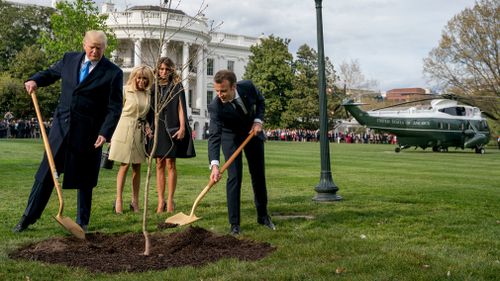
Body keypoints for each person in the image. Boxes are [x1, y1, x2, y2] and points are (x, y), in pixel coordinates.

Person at [13, 30, 123, 233]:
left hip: (89, 134)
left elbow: (115, 107)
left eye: (99, 48)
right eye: (92, 47)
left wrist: (105, 132)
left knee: (85, 179)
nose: (95, 51)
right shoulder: (69, 59)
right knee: (45, 174)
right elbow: (50, 73)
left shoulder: (113, 73)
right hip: (61, 129)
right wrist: (34, 79)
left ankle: (82, 222)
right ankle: (28, 217)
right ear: (84, 44)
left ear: (105, 48)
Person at [208, 69, 275, 235]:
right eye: (217, 91)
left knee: (258, 175)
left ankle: (263, 216)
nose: (220, 94)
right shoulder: (215, 106)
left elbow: (260, 101)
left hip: (253, 133)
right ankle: (234, 224)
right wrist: (214, 165)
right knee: (234, 177)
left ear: (234, 87)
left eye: (223, 90)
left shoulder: (248, 87)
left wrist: (258, 121)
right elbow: (214, 136)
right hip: (230, 137)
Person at [149, 57, 195, 213]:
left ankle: (170, 201)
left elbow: (182, 108)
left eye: (167, 69)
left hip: (172, 126)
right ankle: (160, 201)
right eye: (161, 69)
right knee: (159, 164)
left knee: (170, 163)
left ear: (171, 70)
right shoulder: (153, 87)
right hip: (157, 128)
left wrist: (182, 127)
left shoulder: (176, 86)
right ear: (157, 69)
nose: (163, 72)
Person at [108, 65, 154, 214]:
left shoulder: (148, 94)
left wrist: (147, 126)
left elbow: (145, 114)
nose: (141, 81)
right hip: (124, 128)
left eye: (145, 78)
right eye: (139, 77)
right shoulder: (125, 90)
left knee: (137, 167)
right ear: (134, 77)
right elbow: (115, 111)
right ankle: (119, 200)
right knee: (124, 164)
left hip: (139, 132)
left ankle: (135, 202)